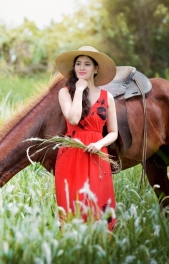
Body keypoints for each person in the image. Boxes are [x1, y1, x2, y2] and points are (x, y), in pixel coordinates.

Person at [54, 46, 118, 230]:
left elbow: (113, 132)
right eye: (78, 64)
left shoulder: (108, 97)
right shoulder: (66, 93)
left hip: (98, 153)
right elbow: (73, 118)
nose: (82, 68)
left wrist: (99, 144)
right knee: (73, 203)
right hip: (72, 152)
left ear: (95, 69)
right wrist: (80, 90)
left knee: (99, 203)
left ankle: (101, 247)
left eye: (87, 64)